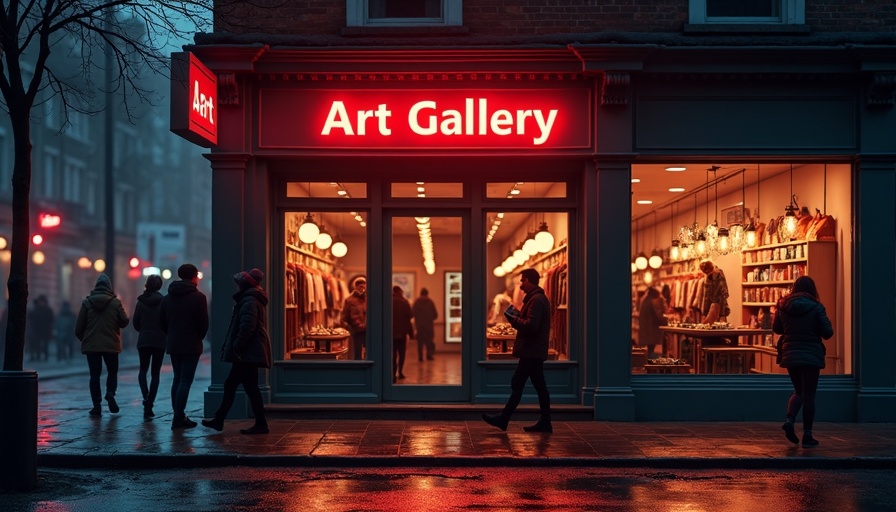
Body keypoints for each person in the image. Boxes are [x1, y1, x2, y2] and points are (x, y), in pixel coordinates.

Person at [482, 267, 553, 433]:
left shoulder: (536, 300)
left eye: (522, 280)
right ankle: (544, 421)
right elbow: (531, 322)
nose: (520, 285)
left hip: (531, 351)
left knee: (519, 382)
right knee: (536, 385)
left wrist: (514, 319)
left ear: (529, 280)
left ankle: (504, 418)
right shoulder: (537, 298)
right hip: (533, 350)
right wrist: (518, 315)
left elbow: (532, 326)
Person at [202, 268, 272, 435]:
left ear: (244, 285)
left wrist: (237, 345)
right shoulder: (251, 298)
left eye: (239, 284)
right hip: (249, 351)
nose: (237, 287)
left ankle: (221, 419)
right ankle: (258, 423)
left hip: (247, 352)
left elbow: (247, 326)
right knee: (249, 387)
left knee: (233, 385)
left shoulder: (249, 300)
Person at [774, 275, 834, 448]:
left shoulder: (783, 306)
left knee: (798, 391)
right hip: (811, 355)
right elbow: (828, 332)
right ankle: (807, 435)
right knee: (809, 395)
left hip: (791, 353)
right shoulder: (816, 307)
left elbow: (777, 329)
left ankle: (789, 420)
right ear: (812, 289)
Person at [160, 263, 209, 430]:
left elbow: (162, 322)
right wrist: (198, 336)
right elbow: (203, 324)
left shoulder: (167, 298)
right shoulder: (198, 298)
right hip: (191, 343)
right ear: (194, 277)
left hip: (174, 342)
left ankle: (178, 415)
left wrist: (171, 334)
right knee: (186, 380)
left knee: (177, 378)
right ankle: (178, 418)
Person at [75, 274, 130, 417]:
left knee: (94, 375)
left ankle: (96, 406)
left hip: (92, 345)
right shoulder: (115, 303)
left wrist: (86, 340)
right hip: (111, 344)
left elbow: (78, 328)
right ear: (109, 287)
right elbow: (124, 321)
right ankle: (110, 393)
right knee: (112, 372)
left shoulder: (86, 303)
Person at [133, 275, 166, 420]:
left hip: (144, 340)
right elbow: (166, 320)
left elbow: (135, 322)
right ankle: (150, 403)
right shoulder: (163, 301)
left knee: (143, 370)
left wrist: (144, 330)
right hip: (159, 340)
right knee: (155, 374)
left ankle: (145, 396)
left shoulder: (141, 302)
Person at [392, 286, 414, 383]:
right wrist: (411, 333)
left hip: (391, 333)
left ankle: (393, 374)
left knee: (393, 354)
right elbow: (410, 316)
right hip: (402, 333)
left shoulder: (389, 302)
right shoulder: (405, 302)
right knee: (402, 354)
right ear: (400, 292)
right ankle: (400, 372)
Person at [342, 275, 367, 360]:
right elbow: (344, 316)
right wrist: (350, 326)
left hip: (368, 330)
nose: (362, 288)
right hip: (356, 330)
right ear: (355, 287)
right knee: (357, 354)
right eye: (360, 286)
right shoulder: (349, 300)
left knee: (369, 354)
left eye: (364, 285)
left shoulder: (369, 298)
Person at [638, 287, 667, 358]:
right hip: (651, 330)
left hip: (646, 330)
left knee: (650, 350)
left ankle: (649, 361)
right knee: (651, 351)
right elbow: (657, 316)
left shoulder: (645, 300)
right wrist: (665, 320)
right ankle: (651, 362)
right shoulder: (652, 302)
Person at [411, 287, 438, 361]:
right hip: (429, 326)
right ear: (427, 294)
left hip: (419, 326)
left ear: (420, 294)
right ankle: (429, 355)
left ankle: (420, 357)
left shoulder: (417, 302)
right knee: (429, 342)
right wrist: (429, 318)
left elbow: (412, 313)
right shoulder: (430, 302)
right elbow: (435, 315)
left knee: (420, 343)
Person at [28, 295, 54, 361]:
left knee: (45, 344)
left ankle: (45, 356)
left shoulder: (47, 310)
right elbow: (32, 319)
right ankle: (38, 356)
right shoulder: (36, 309)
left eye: (42, 301)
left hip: (45, 330)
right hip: (37, 330)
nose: (41, 303)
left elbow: (51, 320)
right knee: (38, 344)